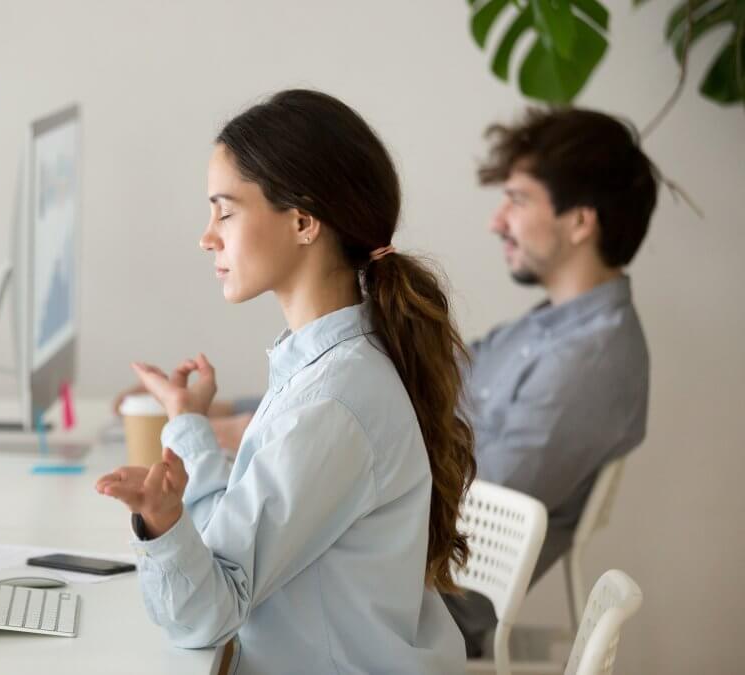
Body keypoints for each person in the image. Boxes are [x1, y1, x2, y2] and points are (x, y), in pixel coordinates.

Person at [95, 89, 476, 674]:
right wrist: (190, 424)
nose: (207, 236)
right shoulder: (333, 368)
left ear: (302, 221)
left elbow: (207, 613)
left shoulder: (332, 403)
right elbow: (237, 531)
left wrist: (160, 523)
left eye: (225, 211)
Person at [443, 107, 656, 656]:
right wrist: (240, 422)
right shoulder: (543, 328)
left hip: (426, 609)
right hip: (396, 575)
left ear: (580, 222)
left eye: (517, 199)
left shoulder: (591, 361)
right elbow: (415, 388)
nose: (497, 221)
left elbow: (465, 526)